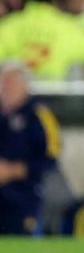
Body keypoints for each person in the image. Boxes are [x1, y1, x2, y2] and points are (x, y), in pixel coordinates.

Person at [0, 63, 59, 235]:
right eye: (3, 83)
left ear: (25, 86)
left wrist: (12, 171)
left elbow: (52, 158)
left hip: (24, 197)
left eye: (11, 83)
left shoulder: (39, 116)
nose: (6, 88)